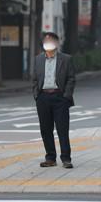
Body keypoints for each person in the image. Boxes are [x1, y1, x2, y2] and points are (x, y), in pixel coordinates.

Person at [32, 32, 76, 169]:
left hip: (59, 97)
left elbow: (71, 78)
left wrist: (66, 96)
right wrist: (36, 95)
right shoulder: (38, 59)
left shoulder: (66, 59)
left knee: (62, 129)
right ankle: (50, 157)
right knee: (45, 129)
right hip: (43, 97)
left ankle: (66, 158)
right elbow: (35, 79)